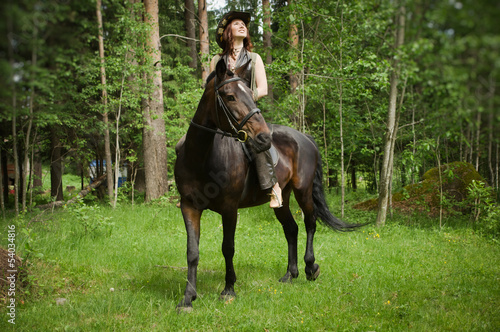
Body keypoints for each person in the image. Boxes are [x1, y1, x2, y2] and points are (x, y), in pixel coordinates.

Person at [211, 11, 282, 208]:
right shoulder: (217, 60)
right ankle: (191, 190)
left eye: (244, 24)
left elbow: (264, 88)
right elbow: (209, 89)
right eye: (237, 24)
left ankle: (273, 188)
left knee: (259, 141)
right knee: (193, 140)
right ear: (227, 31)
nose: (242, 26)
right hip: (223, 114)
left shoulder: (254, 58)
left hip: (246, 116)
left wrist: (244, 98)